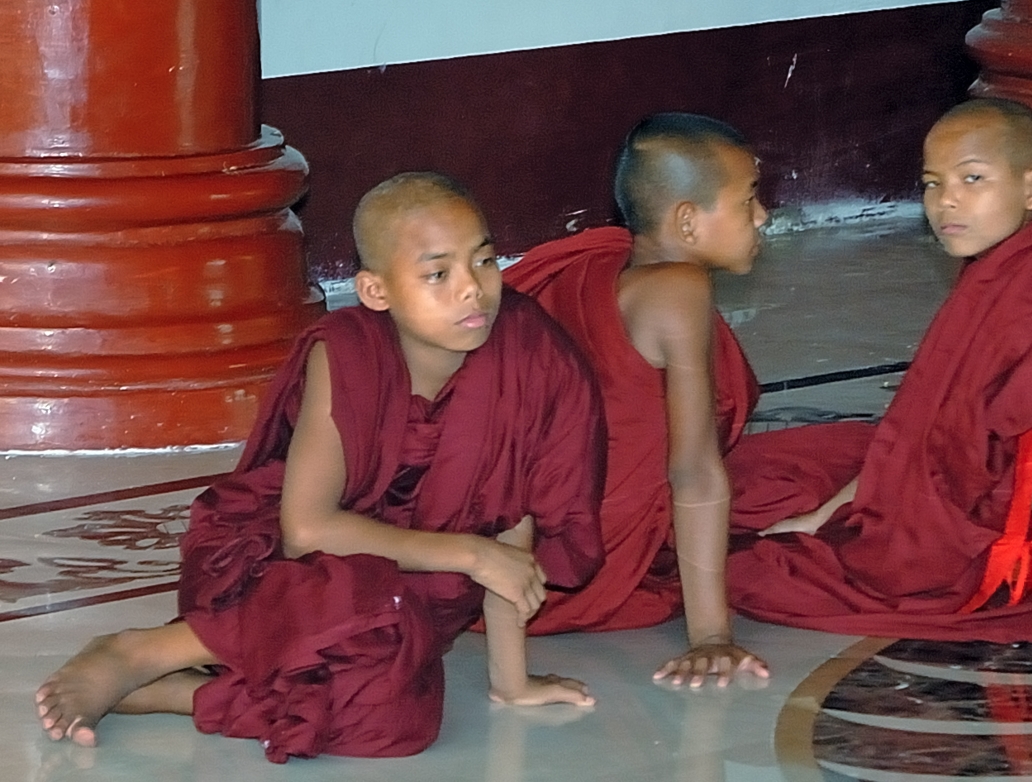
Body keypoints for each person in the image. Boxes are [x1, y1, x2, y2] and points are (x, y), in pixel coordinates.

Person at [34, 172, 607, 762]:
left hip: (410, 591)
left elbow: (510, 521)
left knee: (396, 719)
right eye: (438, 274)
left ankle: (180, 692)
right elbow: (305, 530)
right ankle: (141, 653)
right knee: (346, 601)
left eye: (484, 262)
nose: (472, 290)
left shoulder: (532, 355)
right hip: (291, 564)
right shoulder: (349, 353)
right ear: (375, 291)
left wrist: (510, 683)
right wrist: (470, 553)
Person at [729, 98, 1032, 667]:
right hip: (980, 478)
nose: (946, 201)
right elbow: (922, 422)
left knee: (754, 573)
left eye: (973, 179)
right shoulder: (1006, 263)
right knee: (783, 480)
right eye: (933, 183)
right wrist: (824, 517)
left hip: (1015, 547)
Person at [505, 113, 871, 687]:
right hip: (589, 562)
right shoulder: (680, 290)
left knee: (840, 455)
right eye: (749, 199)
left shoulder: (603, 261)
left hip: (527, 541)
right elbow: (694, 471)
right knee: (869, 479)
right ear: (686, 222)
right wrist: (712, 636)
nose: (762, 216)